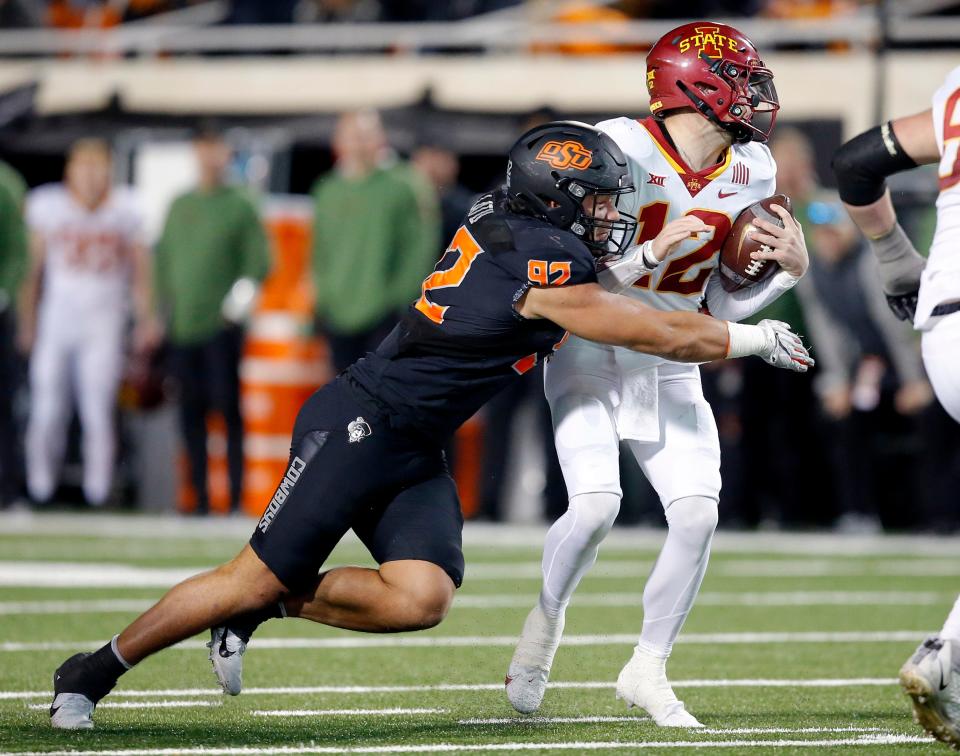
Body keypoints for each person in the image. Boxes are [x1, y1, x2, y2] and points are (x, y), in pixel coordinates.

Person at [48, 121, 812, 730]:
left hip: (414, 440)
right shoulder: (540, 255)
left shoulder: (514, 225)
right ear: (554, 198)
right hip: (360, 423)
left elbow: (579, 289)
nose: (609, 213)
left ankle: (266, 607)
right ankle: (91, 671)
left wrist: (647, 250)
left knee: (421, 597)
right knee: (243, 575)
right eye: (596, 199)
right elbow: (636, 327)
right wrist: (748, 337)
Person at [506, 22, 810, 728]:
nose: (756, 93)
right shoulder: (613, 148)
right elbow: (571, 280)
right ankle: (543, 627)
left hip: (671, 347)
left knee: (698, 511)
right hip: (593, 336)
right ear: (692, 83)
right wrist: (650, 254)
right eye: (740, 76)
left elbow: (724, 300)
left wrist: (784, 277)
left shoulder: (755, 170)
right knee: (594, 507)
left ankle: (648, 667)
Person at [832, 65, 960, 749]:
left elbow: (855, 162)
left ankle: (948, 658)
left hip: (941, 331)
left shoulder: (955, 87)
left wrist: (891, 255)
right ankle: (949, 659)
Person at [18, 138, 158, 507]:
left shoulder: (126, 209)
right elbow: (33, 272)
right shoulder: (48, 206)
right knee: (47, 405)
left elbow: (142, 271)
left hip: (104, 322)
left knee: (98, 408)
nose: (92, 176)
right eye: (85, 166)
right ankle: (40, 487)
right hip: (57, 320)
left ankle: (98, 491)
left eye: (99, 167)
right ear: (70, 170)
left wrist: (146, 318)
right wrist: (27, 320)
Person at [154, 127, 270, 515]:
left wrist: (236, 306)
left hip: (222, 326)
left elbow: (258, 263)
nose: (209, 156)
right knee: (190, 413)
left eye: (215, 148)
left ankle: (235, 497)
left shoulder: (240, 202)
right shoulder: (179, 204)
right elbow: (163, 263)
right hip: (183, 324)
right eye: (203, 148)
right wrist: (159, 315)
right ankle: (198, 496)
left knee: (227, 410)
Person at [312, 109, 439, 373]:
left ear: (380, 139)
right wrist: (323, 295)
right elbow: (318, 250)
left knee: (383, 393)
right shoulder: (327, 190)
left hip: (386, 313)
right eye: (352, 135)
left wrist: (400, 299)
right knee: (344, 393)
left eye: (365, 135)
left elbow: (419, 247)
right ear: (338, 141)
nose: (359, 143)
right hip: (337, 311)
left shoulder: (404, 184)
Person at [0, 163, 27, 508]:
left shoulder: (6, 182)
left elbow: (18, 250)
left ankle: (8, 489)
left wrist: (3, 291)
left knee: (3, 403)